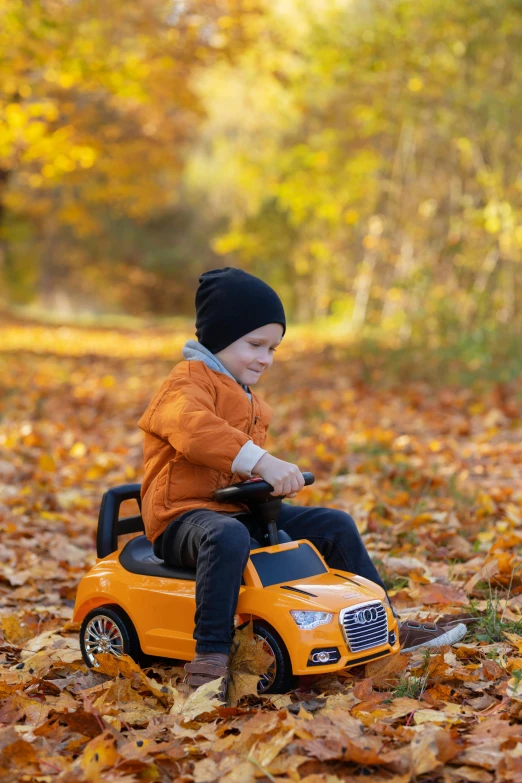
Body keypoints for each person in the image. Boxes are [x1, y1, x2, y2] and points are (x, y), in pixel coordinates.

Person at [138, 267, 466, 696]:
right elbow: (194, 431)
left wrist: (267, 481)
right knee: (228, 536)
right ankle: (211, 656)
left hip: (232, 509)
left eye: (273, 348)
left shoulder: (248, 395)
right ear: (217, 338)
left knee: (333, 524)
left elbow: (236, 468)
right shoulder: (184, 384)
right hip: (182, 519)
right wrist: (263, 461)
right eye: (254, 345)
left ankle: (386, 624)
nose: (265, 358)